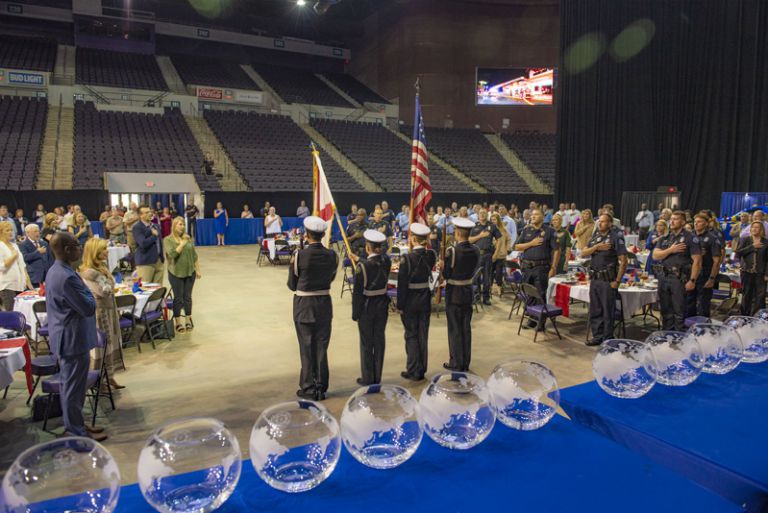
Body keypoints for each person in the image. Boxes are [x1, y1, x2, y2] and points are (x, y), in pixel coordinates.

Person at [45, 232, 106, 441]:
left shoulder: (58, 270)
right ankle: (75, 432)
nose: (80, 249)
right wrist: (88, 292)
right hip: (71, 341)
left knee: (76, 387)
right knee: (72, 388)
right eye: (77, 245)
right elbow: (88, 306)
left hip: (71, 338)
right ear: (69, 249)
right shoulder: (67, 277)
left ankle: (78, 424)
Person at [287, 216, 338, 401]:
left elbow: (292, 284)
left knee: (306, 347)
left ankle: (309, 387)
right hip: (324, 304)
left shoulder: (299, 255)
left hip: (304, 306)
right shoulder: (332, 255)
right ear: (323, 234)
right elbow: (330, 278)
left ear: (307, 235)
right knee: (322, 347)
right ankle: (321, 386)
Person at [79, 238, 124, 390]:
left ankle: (110, 376)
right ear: (95, 252)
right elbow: (104, 291)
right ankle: (99, 380)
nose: (107, 251)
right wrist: (109, 281)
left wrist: (108, 280)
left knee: (112, 342)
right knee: (103, 345)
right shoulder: (89, 273)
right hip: (100, 313)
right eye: (103, 249)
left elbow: (110, 286)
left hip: (110, 309)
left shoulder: (102, 267)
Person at [581, 213, 628, 346]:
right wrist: (596, 247)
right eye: (599, 221)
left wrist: (617, 281)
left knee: (608, 311)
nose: (600, 224)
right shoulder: (595, 237)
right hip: (595, 279)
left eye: (603, 222)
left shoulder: (615, 237)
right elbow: (583, 252)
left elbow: (624, 260)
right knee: (595, 310)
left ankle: (607, 338)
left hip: (608, 280)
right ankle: (597, 336)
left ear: (610, 223)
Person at [397, 223, 436, 381]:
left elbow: (402, 284)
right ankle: (422, 368)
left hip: (411, 300)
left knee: (411, 335)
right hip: (425, 298)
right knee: (422, 334)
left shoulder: (407, 258)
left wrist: (400, 305)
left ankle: (413, 369)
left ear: (413, 239)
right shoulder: (431, 255)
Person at [352, 229, 391, 386]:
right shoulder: (386, 261)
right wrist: (358, 258)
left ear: (367, 247)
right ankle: (377, 376)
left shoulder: (362, 266)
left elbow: (357, 292)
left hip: (367, 306)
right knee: (379, 340)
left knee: (366, 343)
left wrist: (355, 312)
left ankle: (368, 377)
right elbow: (376, 262)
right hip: (382, 304)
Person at [653, 211, 702, 331]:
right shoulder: (666, 237)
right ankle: (667, 336)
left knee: (679, 311)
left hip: (679, 278)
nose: (672, 221)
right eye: (671, 219)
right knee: (665, 310)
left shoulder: (690, 237)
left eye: (676, 219)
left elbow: (697, 261)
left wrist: (692, 280)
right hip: (663, 277)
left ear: (683, 222)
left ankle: (678, 339)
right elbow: (655, 255)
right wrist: (671, 250)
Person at [442, 217, 479, 371]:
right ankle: (465, 362)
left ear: (457, 232)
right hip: (468, 291)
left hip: (454, 293)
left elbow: (446, 275)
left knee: (455, 329)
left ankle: (456, 362)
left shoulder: (452, 251)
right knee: (466, 328)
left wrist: (443, 265)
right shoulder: (476, 249)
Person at [515, 209, 560, 329]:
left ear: (543, 217)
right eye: (532, 215)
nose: (533, 216)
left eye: (536, 214)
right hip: (527, 267)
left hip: (541, 268)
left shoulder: (549, 231)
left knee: (540, 294)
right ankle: (531, 319)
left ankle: (541, 322)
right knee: (529, 294)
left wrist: (554, 267)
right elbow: (517, 246)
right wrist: (531, 243)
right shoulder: (526, 230)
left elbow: (556, 250)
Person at [164, 217, 200, 333]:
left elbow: (194, 255)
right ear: (174, 226)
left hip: (190, 272)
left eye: (184, 224)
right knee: (178, 298)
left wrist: (198, 269)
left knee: (187, 297)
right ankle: (178, 322)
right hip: (176, 273)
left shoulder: (188, 238)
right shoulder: (168, 240)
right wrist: (183, 243)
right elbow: (173, 254)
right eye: (180, 224)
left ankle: (188, 319)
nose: (183, 226)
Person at [687, 213, 722, 318]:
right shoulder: (690, 236)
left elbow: (716, 261)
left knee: (703, 304)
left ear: (706, 224)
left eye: (699, 222)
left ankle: (703, 330)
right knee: (688, 302)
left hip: (705, 273)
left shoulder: (712, 238)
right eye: (695, 221)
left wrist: (712, 278)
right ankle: (687, 328)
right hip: (690, 273)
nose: (696, 223)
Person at [469, 209, 500, 305]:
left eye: (484, 213)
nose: (482, 214)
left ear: (487, 215)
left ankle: (486, 297)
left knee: (487, 278)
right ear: (478, 215)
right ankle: (477, 296)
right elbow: (469, 240)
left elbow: (499, 239)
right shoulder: (474, 226)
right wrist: (480, 235)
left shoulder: (492, 226)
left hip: (487, 255)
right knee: (476, 277)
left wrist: (496, 253)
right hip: (477, 255)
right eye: (480, 213)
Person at [736, 221, 768, 315]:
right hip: (746, 272)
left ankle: (757, 317)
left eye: (757, 227)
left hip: (760, 273)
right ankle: (744, 316)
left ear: (761, 229)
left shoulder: (766, 242)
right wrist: (752, 246)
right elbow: (738, 253)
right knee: (746, 295)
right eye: (753, 227)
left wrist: (767, 273)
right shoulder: (745, 240)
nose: (754, 229)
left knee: (760, 296)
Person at [0, 221, 32, 310]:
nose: (10, 232)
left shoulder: (14, 245)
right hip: (7, 286)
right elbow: (1, 266)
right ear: (1, 232)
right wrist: (13, 256)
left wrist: (29, 285)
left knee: (22, 313)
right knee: (11, 314)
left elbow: (22, 265)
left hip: (20, 285)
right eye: (7, 230)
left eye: (11, 230)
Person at [133, 206, 165, 284]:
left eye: (150, 211)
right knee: (145, 289)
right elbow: (143, 243)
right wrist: (154, 236)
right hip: (145, 263)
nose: (150, 214)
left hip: (158, 261)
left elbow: (160, 243)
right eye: (147, 212)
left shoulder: (156, 226)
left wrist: (161, 257)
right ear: (140, 215)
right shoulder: (137, 227)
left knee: (158, 289)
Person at [490, 212, 511, 295]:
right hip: (491, 254)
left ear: (498, 220)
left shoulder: (503, 230)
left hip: (501, 254)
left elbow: (508, 240)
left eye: (494, 219)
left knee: (499, 272)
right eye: (491, 220)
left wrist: (507, 249)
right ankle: (490, 287)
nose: (493, 221)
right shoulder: (489, 229)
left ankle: (499, 287)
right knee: (490, 272)